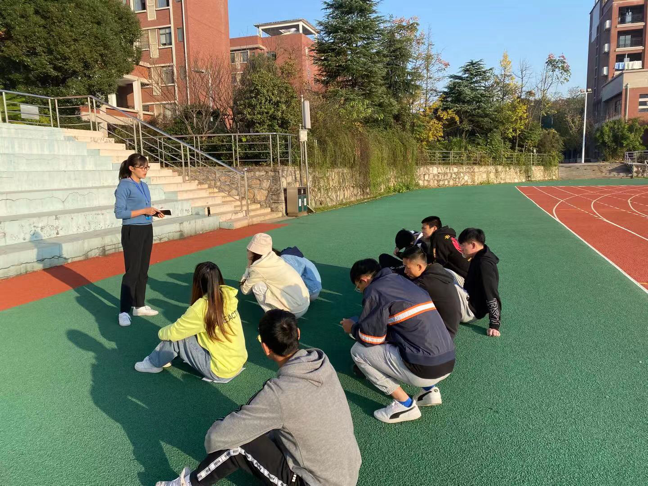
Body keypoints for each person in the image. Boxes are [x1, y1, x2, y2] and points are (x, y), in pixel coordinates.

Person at [155, 309, 362, 486]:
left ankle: (189, 483)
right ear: (298, 333)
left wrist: (224, 424)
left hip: (313, 482)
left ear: (265, 348)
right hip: (347, 473)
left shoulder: (279, 394)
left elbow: (215, 439)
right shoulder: (321, 363)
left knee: (239, 442)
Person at [341, 259, 455, 424]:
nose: (360, 291)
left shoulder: (374, 289)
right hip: (448, 361)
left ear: (364, 280)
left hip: (425, 369)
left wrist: (351, 328)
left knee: (358, 351)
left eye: (358, 287)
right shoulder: (402, 280)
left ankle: (405, 405)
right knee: (408, 333)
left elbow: (371, 339)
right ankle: (430, 392)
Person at [134, 262, 247, 382]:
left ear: (197, 282)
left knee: (178, 336)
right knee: (189, 331)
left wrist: (160, 333)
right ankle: (165, 356)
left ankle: (153, 363)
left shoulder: (201, 307)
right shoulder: (227, 296)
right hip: (238, 361)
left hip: (221, 370)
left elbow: (174, 333)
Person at [114, 153, 164, 327]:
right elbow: (119, 213)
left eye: (146, 167)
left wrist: (153, 212)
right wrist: (144, 211)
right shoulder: (124, 185)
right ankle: (123, 311)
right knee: (132, 271)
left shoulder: (144, 185)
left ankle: (139, 305)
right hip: (132, 231)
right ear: (131, 168)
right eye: (141, 167)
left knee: (143, 270)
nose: (145, 170)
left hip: (146, 229)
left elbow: (144, 208)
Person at [240, 234, 310, 318]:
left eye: (248, 250)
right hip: (305, 304)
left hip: (293, 311)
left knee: (257, 286)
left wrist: (249, 265)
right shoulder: (276, 258)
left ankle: (273, 318)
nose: (247, 251)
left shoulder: (258, 268)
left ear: (253, 252)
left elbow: (244, 290)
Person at [400, 246, 462, 339]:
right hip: (448, 329)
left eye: (407, 267)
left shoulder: (425, 283)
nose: (405, 271)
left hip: (441, 336)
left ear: (419, 266)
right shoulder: (436, 270)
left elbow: (401, 297)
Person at [458, 228, 502, 337]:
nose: (460, 248)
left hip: (470, 311)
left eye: (462, 245)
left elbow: (491, 293)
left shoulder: (484, 264)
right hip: (469, 296)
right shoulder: (481, 254)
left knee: (442, 280)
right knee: (447, 273)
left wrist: (494, 324)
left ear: (473, 245)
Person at [420, 216, 470, 286]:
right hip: (467, 274)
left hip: (464, 278)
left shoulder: (439, 238)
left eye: (424, 228)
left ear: (434, 228)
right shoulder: (444, 236)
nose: (422, 231)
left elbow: (439, 264)